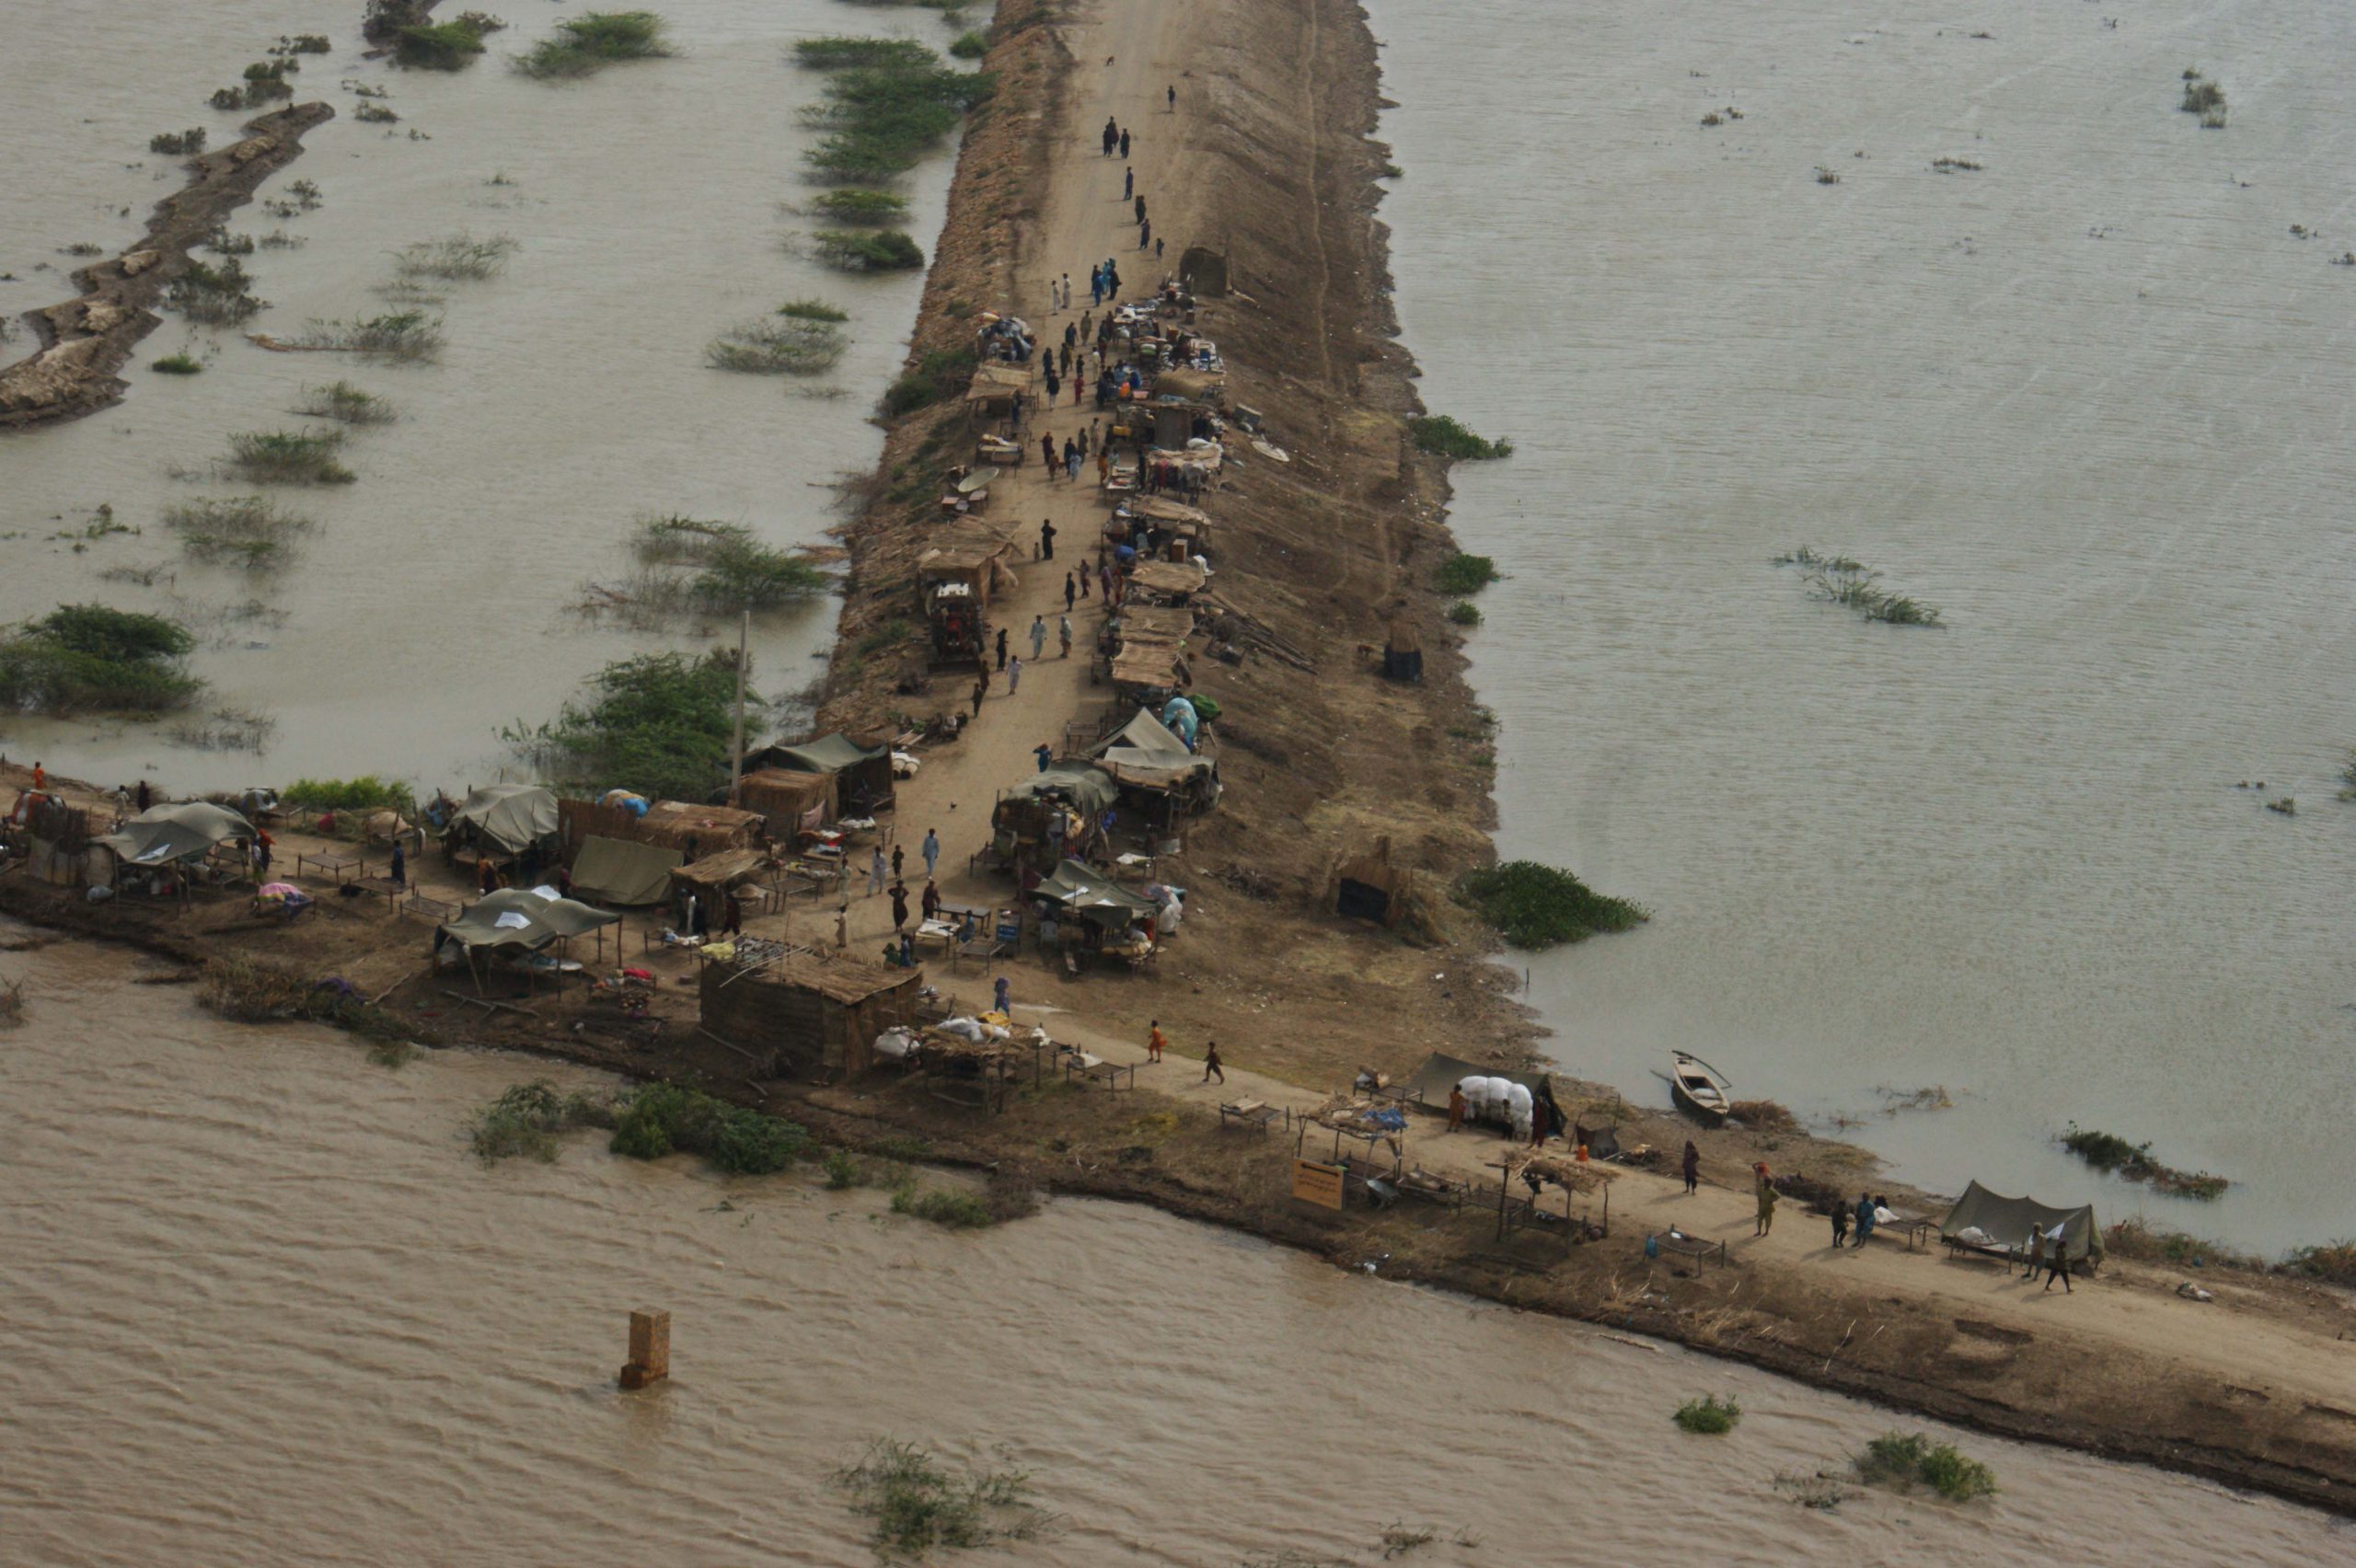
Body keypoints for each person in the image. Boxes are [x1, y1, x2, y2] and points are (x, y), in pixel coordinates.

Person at [2043, 1228, 2073, 1294]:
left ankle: (2068, 1288)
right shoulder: (2059, 1250)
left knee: (2056, 1277)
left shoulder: (2060, 1250)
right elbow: (2060, 1259)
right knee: (2059, 1277)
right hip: (2059, 1266)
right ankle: (2067, 1289)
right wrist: (2067, 1260)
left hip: (2059, 1266)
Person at [1754, 1168, 1779, 1237]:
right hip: (1762, 1206)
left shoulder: (1771, 1190)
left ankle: (1766, 1231)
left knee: (1768, 1220)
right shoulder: (1763, 1188)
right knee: (1759, 1220)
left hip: (1768, 1206)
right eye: (1766, 1182)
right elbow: (1760, 1194)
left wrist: (1772, 1200)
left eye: (1767, 1183)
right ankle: (1759, 1231)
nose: (1766, 1184)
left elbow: (1778, 1196)